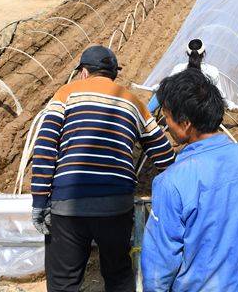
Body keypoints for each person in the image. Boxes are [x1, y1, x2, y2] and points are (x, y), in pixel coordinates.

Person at [31, 46, 175, 292]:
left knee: (64, 280)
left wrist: (39, 201)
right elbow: (163, 153)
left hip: (68, 203)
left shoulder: (65, 94)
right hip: (116, 204)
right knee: (118, 273)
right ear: (112, 74)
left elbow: (44, 148)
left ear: (83, 72)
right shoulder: (132, 102)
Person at [141, 68, 238, 291]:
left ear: (185, 123)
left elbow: (160, 262)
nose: (166, 124)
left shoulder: (172, 182)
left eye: (167, 116)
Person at [147, 39, 234, 113]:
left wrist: (158, 87)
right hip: (201, 111)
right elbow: (219, 93)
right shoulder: (212, 71)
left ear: (187, 53)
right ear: (204, 53)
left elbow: (166, 86)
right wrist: (227, 103)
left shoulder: (179, 68)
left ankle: (146, 115)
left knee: (161, 91)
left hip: (180, 109)